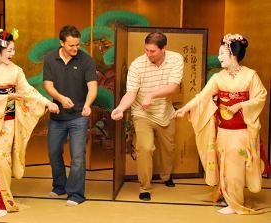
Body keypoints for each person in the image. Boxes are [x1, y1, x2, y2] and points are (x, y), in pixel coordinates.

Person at [0, 27, 59, 218]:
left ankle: (2, 201)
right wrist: (8, 96)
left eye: (13, 49)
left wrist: (46, 103)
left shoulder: (16, 71)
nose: (13, 53)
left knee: (1, 159)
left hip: (8, 121)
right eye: (9, 49)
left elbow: (28, 91)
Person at [175, 34, 268, 214]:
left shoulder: (250, 76)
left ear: (233, 54)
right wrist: (185, 108)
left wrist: (239, 105)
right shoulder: (218, 77)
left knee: (235, 166)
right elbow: (202, 96)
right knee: (223, 164)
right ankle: (227, 197)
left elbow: (260, 97)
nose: (219, 57)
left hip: (242, 131)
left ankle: (235, 204)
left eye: (222, 54)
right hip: (223, 130)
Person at [111, 32, 184, 201]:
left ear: (164, 48)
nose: (148, 54)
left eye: (152, 51)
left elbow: (173, 86)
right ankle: (145, 187)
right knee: (144, 148)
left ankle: (166, 176)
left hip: (165, 112)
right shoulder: (137, 65)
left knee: (169, 148)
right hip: (142, 113)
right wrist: (121, 108)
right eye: (146, 50)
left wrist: (151, 94)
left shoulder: (175, 59)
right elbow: (131, 93)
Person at [43, 25, 97, 206]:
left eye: (77, 45)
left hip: (79, 116)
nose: (75, 49)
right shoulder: (50, 58)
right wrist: (59, 98)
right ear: (62, 43)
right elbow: (48, 84)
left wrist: (88, 105)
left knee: (78, 157)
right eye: (71, 45)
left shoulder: (86, 60)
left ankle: (76, 194)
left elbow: (93, 87)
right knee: (53, 152)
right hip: (57, 116)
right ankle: (59, 186)